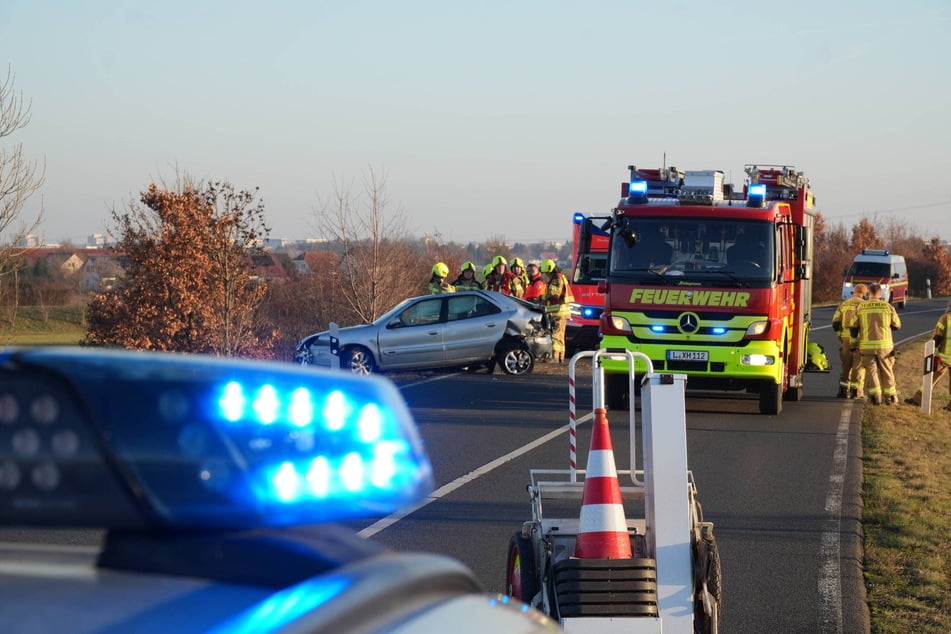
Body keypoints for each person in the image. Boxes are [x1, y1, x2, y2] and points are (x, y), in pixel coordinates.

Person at [849, 282, 901, 405]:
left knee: (871, 372)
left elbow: (853, 327)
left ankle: (875, 397)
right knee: (887, 371)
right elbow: (897, 325)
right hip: (885, 347)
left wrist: (852, 345)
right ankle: (890, 398)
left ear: (869, 293)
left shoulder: (861, 307)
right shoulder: (887, 307)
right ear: (880, 293)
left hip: (866, 347)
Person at [904, 299, 951, 410]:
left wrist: (931, 351)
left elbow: (938, 337)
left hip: (944, 357)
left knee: (931, 379)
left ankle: (918, 399)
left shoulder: (945, 318)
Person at [832, 283, 867, 398]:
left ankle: (842, 390)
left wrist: (840, 336)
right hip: (860, 339)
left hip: (845, 339)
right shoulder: (864, 305)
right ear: (864, 294)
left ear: (854, 292)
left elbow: (835, 322)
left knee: (846, 365)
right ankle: (855, 391)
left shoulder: (844, 304)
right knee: (858, 366)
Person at [540, 258, 574, 363]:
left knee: (555, 335)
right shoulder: (561, 277)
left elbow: (554, 293)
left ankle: (554, 358)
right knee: (560, 336)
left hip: (557, 312)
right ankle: (560, 358)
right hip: (562, 311)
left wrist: (543, 297)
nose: (545, 276)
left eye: (545, 274)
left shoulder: (556, 279)